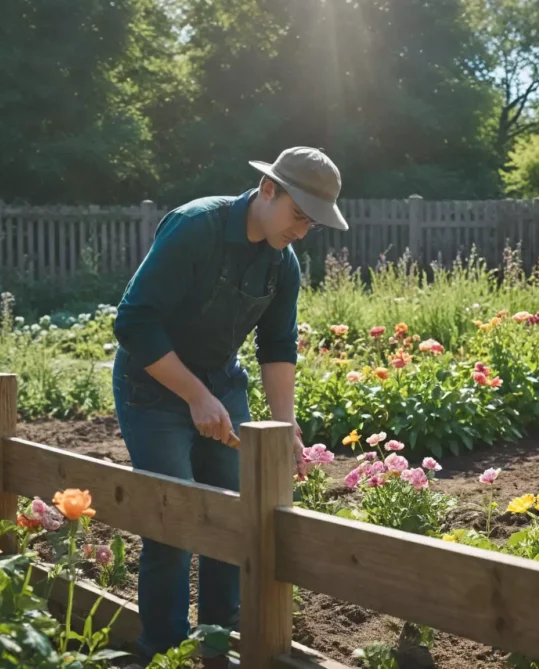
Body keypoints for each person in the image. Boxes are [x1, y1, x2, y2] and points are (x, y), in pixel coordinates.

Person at [111, 147, 347, 663]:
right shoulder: (195, 227)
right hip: (151, 385)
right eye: (298, 215)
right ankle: (165, 650)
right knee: (172, 519)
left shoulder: (283, 264)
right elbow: (133, 322)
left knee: (234, 513)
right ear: (268, 189)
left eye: (312, 223)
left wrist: (284, 427)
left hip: (220, 380)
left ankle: (218, 641)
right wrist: (195, 396)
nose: (301, 231)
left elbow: (278, 345)